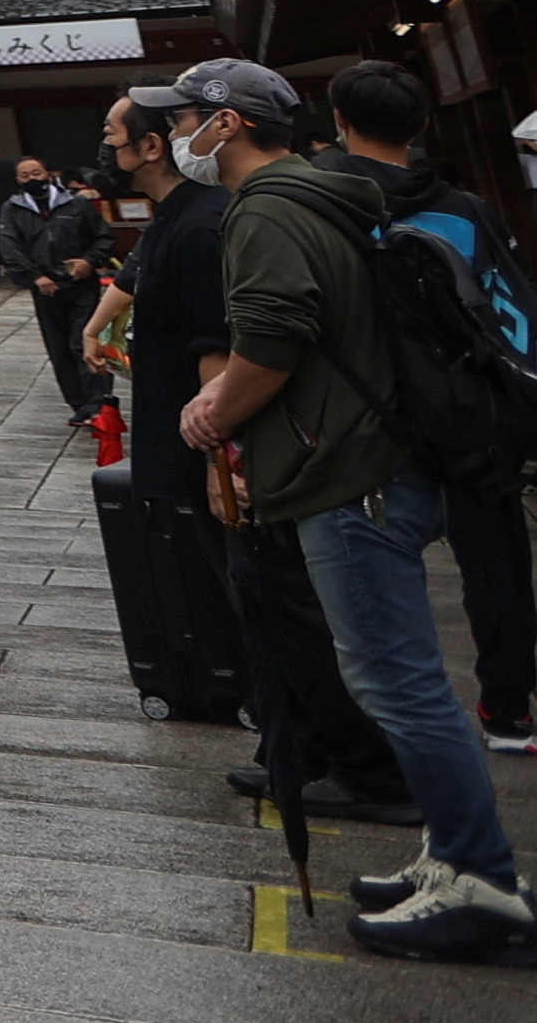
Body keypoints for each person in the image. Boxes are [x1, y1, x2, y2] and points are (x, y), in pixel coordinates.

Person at [176, 57, 533, 959]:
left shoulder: (264, 206)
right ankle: (451, 854)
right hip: (390, 458)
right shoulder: (330, 191)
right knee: (398, 676)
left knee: (397, 681)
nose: (180, 130)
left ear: (228, 125)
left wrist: (211, 410)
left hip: (344, 474)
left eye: (187, 115)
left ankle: (483, 878)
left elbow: (275, 334)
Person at [101, 87, 414, 818]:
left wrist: (226, 461)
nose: (110, 149)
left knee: (286, 611)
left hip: (239, 454)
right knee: (259, 611)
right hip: (202, 444)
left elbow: (233, 345)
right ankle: (295, 746)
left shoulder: (217, 219)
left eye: (125, 133)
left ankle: (367, 767)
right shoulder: (187, 217)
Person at [317, 61, 537, 757]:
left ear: (340, 123)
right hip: (475, 418)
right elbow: (514, 312)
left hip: (376, 428)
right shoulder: (465, 207)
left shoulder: (326, 206)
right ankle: (506, 711)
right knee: (498, 570)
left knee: (377, 592)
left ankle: (391, 727)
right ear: (420, 126)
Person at [1, 155, 115, 417]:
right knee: (59, 348)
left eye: (37, 173)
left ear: (49, 173)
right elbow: (10, 247)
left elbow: (104, 238)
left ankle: (97, 401)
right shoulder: (13, 209)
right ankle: (77, 403)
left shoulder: (75, 203)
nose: (32, 179)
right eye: (25, 176)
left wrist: (89, 261)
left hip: (81, 284)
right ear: (18, 180)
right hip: (45, 288)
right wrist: (35, 276)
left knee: (83, 341)